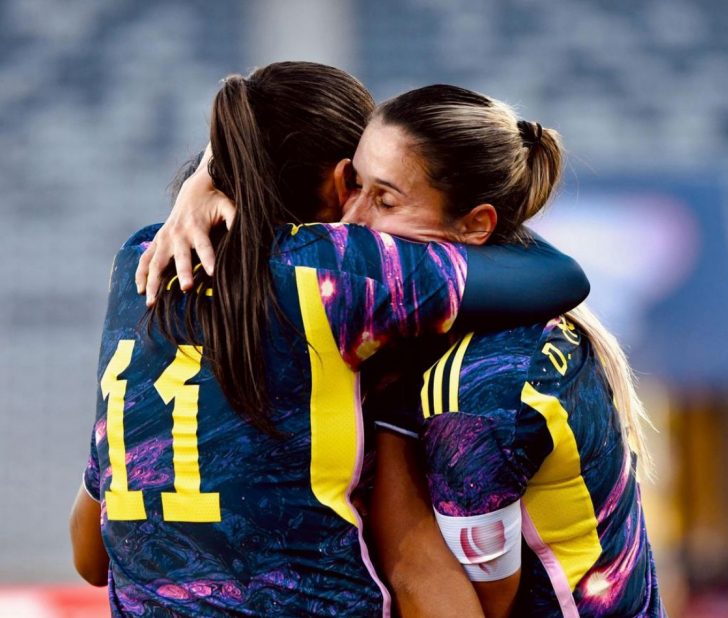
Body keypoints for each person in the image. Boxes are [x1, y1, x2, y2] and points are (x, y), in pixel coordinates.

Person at [69, 62, 590, 617]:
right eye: (367, 189)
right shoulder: (334, 268)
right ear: (344, 180)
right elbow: (562, 277)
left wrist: (207, 173)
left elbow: (88, 555)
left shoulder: (138, 260)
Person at [345, 85, 665, 617]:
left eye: (385, 199)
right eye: (354, 184)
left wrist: (393, 421)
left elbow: (473, 604)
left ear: (475, 225)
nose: (350, 220)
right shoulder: (517, 324)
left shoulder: (479, 381)